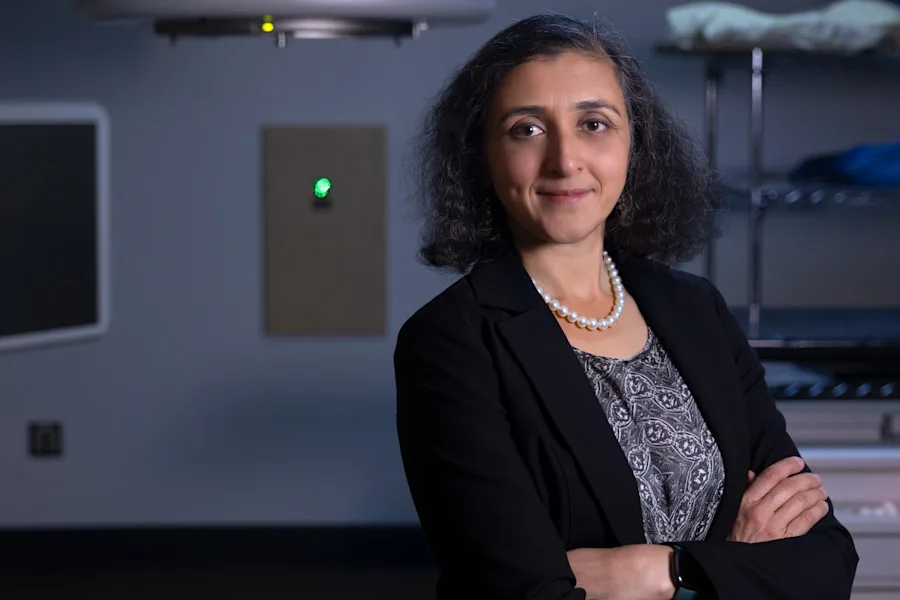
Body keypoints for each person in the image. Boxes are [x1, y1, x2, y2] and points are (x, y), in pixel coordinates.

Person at [393, 12, 858, 600]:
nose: (565, 160)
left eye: (594, 124)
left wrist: (665, 572)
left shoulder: (696, 310)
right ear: (482, 158)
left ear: (634, 145)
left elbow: (827, 559)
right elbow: (526, 593)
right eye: (526, 129)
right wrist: (736, 564)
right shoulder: (451, 342)